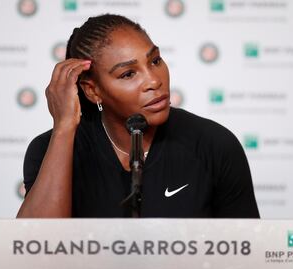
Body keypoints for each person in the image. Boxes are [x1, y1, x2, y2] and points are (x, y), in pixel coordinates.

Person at [16, 14, 260, 218]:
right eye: (128, 74)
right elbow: (35, 248)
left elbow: (247, 253)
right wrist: (64, 128)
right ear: (93, 90)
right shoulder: (48, 149)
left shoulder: (214, 145)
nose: (154, 80)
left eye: (155, 60)